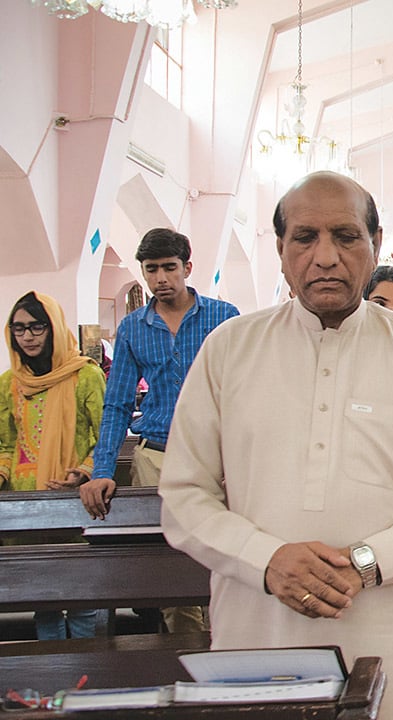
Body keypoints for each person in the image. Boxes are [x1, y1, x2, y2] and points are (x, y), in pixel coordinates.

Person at [158, 171, 393, 720]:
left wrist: (367, 563)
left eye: (346, 235)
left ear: (374, 244)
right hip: (257, 626)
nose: (326, 256)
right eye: (305, 237)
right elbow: (184, 497)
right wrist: (267, 561)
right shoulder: (228, 350)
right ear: (282, 249)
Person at [81, 228, 238, 634]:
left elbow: (244, 393)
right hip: (155, 455)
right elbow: (117, 403)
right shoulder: (134, 328)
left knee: (221, 557)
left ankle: (225, 647)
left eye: (170, 268)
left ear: (187, 267)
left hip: (215, 457)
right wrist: (102, 470)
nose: (161, 278)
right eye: (151, 270)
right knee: (171, 564)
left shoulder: (224, 317)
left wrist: (240, 457)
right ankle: (186, 657)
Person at [0, 292, 108, 640]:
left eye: (36, 327)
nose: (28, 337)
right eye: (19, 329)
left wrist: (86, 470)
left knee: (79, 595)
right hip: (24, 504)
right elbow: (5, 443)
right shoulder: (9, 382)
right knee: (42, 597)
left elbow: (105, 436)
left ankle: (85, 675)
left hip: (74, 499)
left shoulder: (85, 376)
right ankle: (52, 682)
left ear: (54, 328)